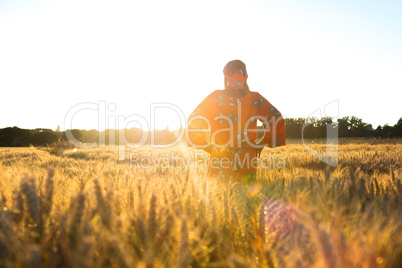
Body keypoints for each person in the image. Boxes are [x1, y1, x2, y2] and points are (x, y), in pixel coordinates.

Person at [186, 60, 285, 184]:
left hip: (221, 155)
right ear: (246, 77)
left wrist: (205, 145)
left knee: (218, 197)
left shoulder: (217, 97)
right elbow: (276, 118)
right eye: (235, 73)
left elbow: (195, 118)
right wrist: (261, 145)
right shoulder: (255, 98)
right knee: (246, 196)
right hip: (246, 157)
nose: (237, 76)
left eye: (239, 73)